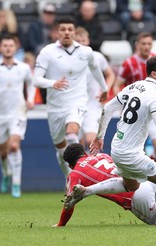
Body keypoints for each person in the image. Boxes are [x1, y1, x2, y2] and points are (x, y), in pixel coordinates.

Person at [66, 54, 156, 227]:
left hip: (117, 148)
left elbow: (107, 108)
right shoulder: (155, 96)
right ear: (154, 74)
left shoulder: (134, 86)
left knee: (131, 185)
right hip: (131, 153)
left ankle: (86, 192)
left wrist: (99, 137)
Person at [33, 18, 108, 179]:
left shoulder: (85, 52)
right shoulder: (47, 52)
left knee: (72, 134)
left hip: (77, 102)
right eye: (63, 29)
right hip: (56, 107)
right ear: (57, 32)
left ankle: (81, 175)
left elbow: (96, 69)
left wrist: (105, 88)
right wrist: (53, 83)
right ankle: (69, 177)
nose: (66, 32)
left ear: (74, 32)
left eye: (69, 29)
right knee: (61, 150)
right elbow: (36, 79)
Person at [0, 35, 35, 198]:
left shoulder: (23, 67)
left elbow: (31, 85)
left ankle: (16, 184)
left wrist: (30, 99)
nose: (8, 48)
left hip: (18, 112)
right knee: (3, 153)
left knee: (14, 147)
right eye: (5, 45)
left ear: (16, 47)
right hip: (0, 114)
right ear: (0, 48)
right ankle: (6, 173)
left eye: (11, 45)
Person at [111, 32, 156, 164]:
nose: (146, 47)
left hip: (153, 109)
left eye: (149, 44)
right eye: (143, 44)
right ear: (137, 45)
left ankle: (150, 172)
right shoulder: (129, 63)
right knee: (135, 150)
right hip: (136, 113)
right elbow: (117, 86)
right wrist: (124, 104)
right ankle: (141, 177)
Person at [75, 27, 115, 148]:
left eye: (83, 40)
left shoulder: (97, 57)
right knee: (77, 145)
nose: (81, 43)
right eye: (78, 41)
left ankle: (96, 166)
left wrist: (105, 89)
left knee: (91, 141)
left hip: (93, 104)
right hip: (75, 104)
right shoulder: (69, 60)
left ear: (88, 41)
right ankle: (80, 167)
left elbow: (110, 75)